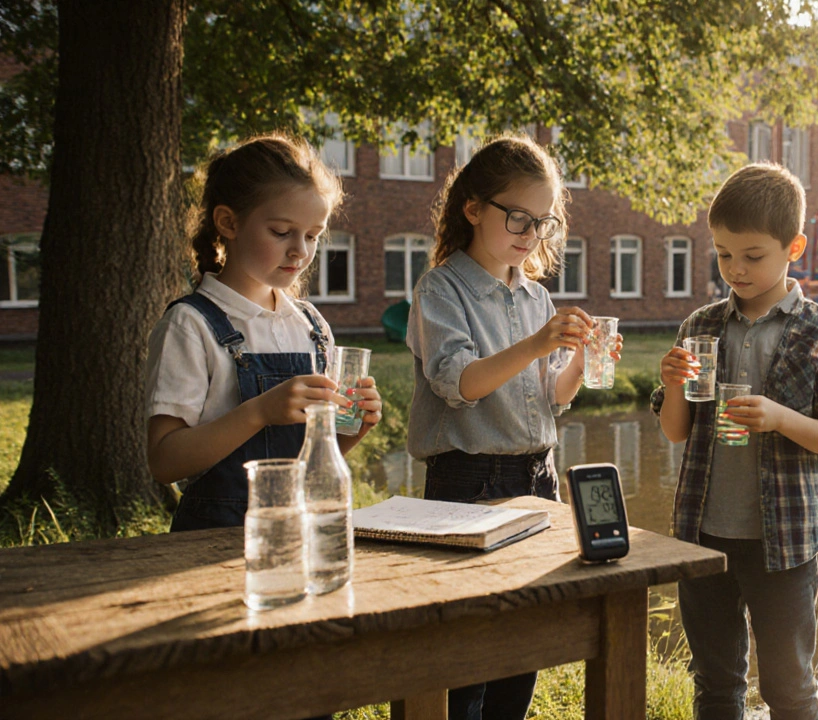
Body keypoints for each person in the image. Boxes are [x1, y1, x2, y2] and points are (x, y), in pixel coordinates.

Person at [406, 134, 619, 720]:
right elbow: (460, 383)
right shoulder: (441, 288)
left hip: (536, 480)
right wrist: (536, 344)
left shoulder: (536, 299)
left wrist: (578, 361)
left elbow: (550, 398)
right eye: (518, 218)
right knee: (468, 655)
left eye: (543, 223)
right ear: (473, 208)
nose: (530, 235)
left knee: (521, 649)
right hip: (466, 484)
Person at [653, 163, 818, 720]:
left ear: (793, 247)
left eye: (752, 256)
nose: (736, 270)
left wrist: (779, 417)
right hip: (705, 534)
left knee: (789, 687)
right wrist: (673, 385)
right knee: (716, 684)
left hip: (786, 543)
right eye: (724, 254)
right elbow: (676, 430)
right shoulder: (701, 324)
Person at [146, 134, 383, 533]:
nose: (300, 252)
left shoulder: (311, 327)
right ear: (228, 222)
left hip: (300, 530)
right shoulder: (191, 325)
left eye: (312, 235)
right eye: (281, 232)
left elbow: (314, 457)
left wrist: (353, 427)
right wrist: (258, 412)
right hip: (211, 537)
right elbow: (164, 461)